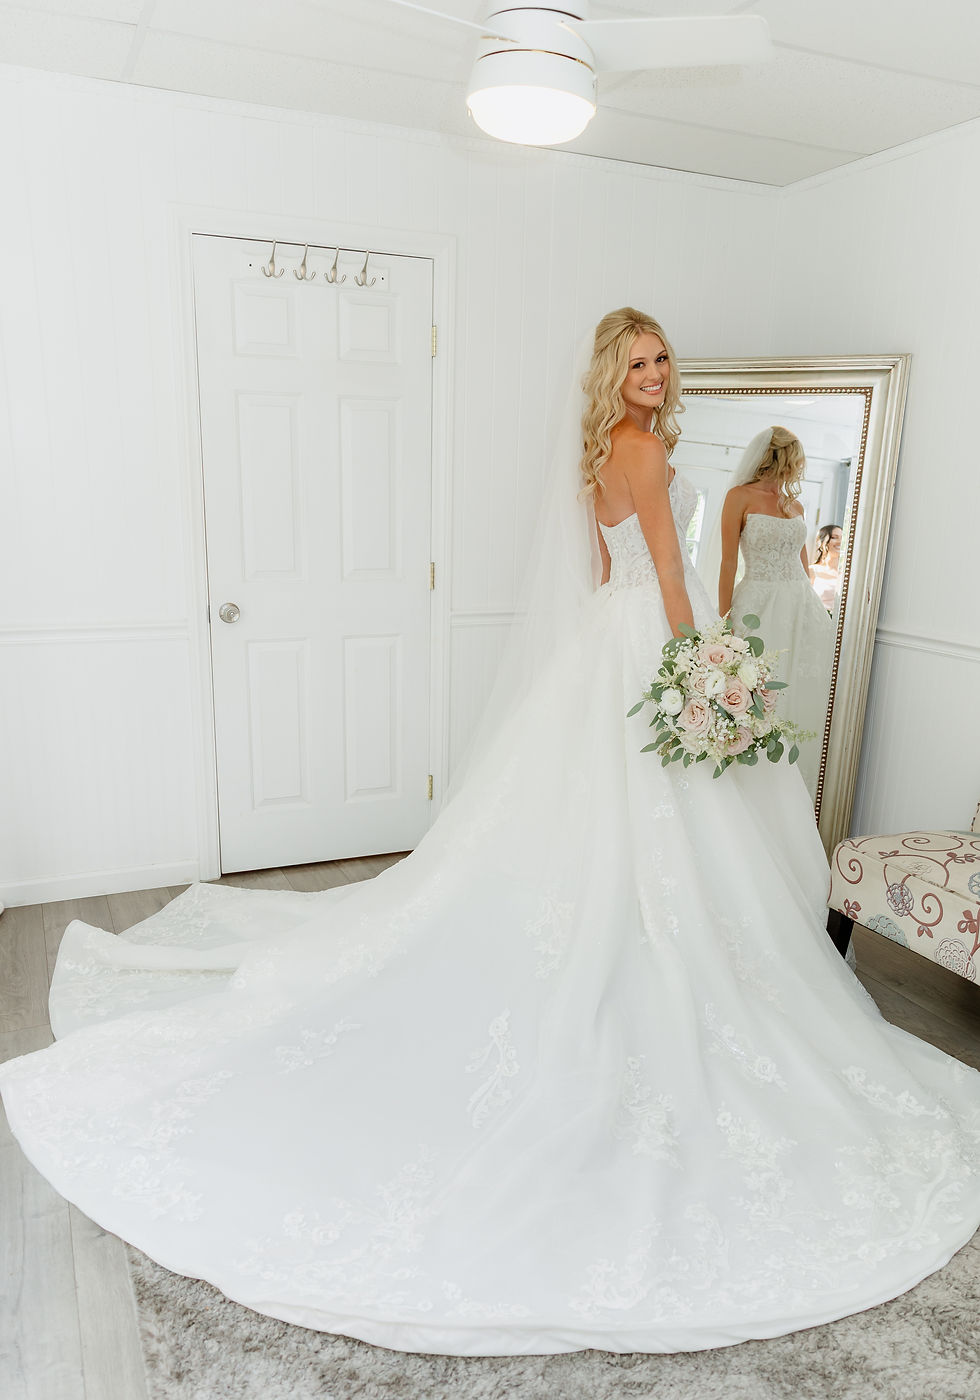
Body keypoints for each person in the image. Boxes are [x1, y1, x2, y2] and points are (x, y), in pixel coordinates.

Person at [1, 309, 978, 1358]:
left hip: (604, 647)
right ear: (613, 373)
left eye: (660, 358)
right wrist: (704, 670)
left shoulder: (599, 453)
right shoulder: (647, 452)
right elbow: (666, 573)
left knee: (592, 825)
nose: (654, 373)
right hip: (655, 639)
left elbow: (602, 573)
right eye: (637, 362)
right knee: (666, 829)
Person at [717, 427, 835, 800]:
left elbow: (804, 567)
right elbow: (727, 562)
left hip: (800, 607)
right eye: (796, 460)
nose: (798, 468)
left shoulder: (795, 506)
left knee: (797, 691)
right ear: (781, 458)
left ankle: (789, 787)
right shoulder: (739, 497)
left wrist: (811, 606)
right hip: (758, 603)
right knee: (757, 694)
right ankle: (748, 787)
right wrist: (722, 621)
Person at [811, 522, 844, 612]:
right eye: (834, 537)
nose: (840, 541)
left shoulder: (846, 573)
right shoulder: (812, 570)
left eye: (842, 538)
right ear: (822, 542)